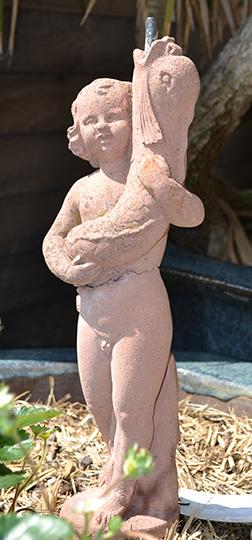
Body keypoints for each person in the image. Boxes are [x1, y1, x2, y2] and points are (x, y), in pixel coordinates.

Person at [43, 38, 204, 533]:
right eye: (90, 121)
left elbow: (191, 214)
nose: (102, 127)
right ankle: (144, 486)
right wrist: (69, 269)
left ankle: (123, 493)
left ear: (135, 123)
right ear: (80, 138)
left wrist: (164, 188)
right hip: (92, 311)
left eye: (112, 116)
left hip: (139, 310)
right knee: (101, 409)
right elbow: (54, 239)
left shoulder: (149, 173)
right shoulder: (82, 189)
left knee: (132, 409)